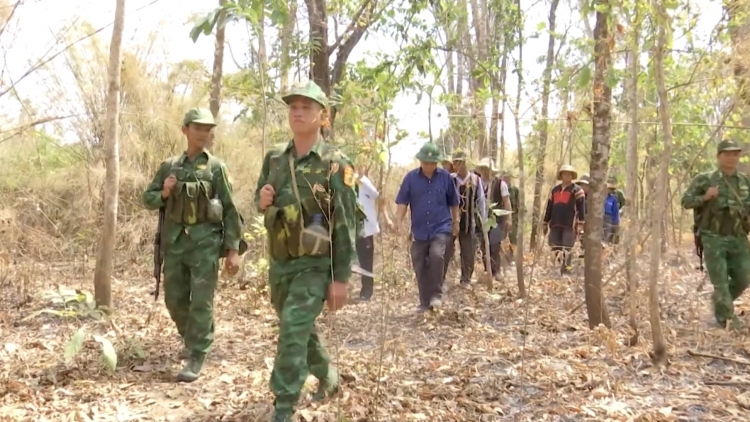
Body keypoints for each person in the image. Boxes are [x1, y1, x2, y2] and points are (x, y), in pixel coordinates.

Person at [254, 81, 359, 421]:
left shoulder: (336, 164)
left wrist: (341, 278)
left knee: (292, 329)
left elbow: (345, 224)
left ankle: (283, 405)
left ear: (322, 116)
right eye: (293, 106)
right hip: (281, 262)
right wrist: (263, 200)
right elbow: (261, 198)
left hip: (315, 265)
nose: (298, 112)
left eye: (306, 106)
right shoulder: (275, 158)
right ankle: (327, 376)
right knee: (294, 326)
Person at [142, 107, 243, 382]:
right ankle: (195, 336)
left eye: (207, 128)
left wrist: (233, 250)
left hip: (205, 243)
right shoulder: (169, 166)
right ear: (185, 129)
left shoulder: (216, 168)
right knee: (174, 300)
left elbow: (231, 210)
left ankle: (197, 352)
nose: (203, 132)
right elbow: (147, 198)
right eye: (197, 127)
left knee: (201, 301)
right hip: (174, 243)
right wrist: (164, 192)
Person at [681, 139, 750, 330]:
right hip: (713, 237)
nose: (732, 158)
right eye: (727, 154)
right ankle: (727, 319)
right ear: (719, 156)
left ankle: (719, 302)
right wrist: (705, 197)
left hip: (738, 237)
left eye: (735, 154)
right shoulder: (705, 179)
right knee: (720, 281)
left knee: (744, 278)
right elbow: (686, 201)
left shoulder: (745, 181)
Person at [395, 142, 459, 312]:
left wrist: (456, 222)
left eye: (432, 163)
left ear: (437, 163)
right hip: (420, 229)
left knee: (437, 255)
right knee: (419, 263)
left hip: (441, 226)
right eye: (425, 162)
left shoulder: (446, 177)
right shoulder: (410, 178)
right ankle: (424, 301)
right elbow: (402, 201)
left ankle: (436, 295)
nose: (429, 166)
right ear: (420, 161)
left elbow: (454, 202)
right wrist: (399, 222)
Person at [443, 151, 486, 287]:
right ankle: (442, 280)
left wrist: (483, 220)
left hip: (469, 221)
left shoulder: (475, 180)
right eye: (454, 163)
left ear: (464, 163)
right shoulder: (449, 179)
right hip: (450, 221)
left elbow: (481, 201)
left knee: (468, 251)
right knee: (445, 250)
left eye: (458, 162)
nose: (455, 165)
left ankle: (465, 279)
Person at [543, 165, 585, 274]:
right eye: (564, 174)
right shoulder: (555, 190)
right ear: (561, 176)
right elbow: (549, 207)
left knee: (567, 248)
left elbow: (581, 208)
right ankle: (557, 268)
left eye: (569, 174)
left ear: (572, 176)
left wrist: (581, 223)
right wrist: (545, 221)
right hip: (555, 223)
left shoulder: (577, 190)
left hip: (569, 224)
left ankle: (566, 270)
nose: (567, 176)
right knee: (554, 246)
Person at [475, 158, 511, 278]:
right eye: (483, 169)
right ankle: (488, 270)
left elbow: (506, 201)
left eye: (487, 169)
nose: (485, 172)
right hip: (481, 220)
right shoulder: (477, 182)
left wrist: (508, 218)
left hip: (496, 220)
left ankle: (497, 271)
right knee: (483, 246)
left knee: (494, 245)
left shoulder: (501, 184)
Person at [355, 167, 383, 301]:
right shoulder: (342, 183)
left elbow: (377, 196)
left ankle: (367, 290)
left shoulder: (363, 181)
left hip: (366, 228)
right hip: (350, 227)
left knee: (366, 261)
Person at [501, 171, 520, 263]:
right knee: (502, 237)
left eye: (509, 177)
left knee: (513, 237)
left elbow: (519, 203)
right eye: (505, 177)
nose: (507, 179)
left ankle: (512, 255)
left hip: (514, 216)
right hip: (502, 216)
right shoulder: (499, 187)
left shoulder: (515, 190)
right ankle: (504, 257)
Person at [604, 180, 621, 244]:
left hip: (608, 219)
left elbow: (615, 212)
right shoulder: (599, 198)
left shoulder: (613, 199)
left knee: (607, 236)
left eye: (611, 189)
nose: (610, 190)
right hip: (599, 218)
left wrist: (616, 223)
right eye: (609, 189)